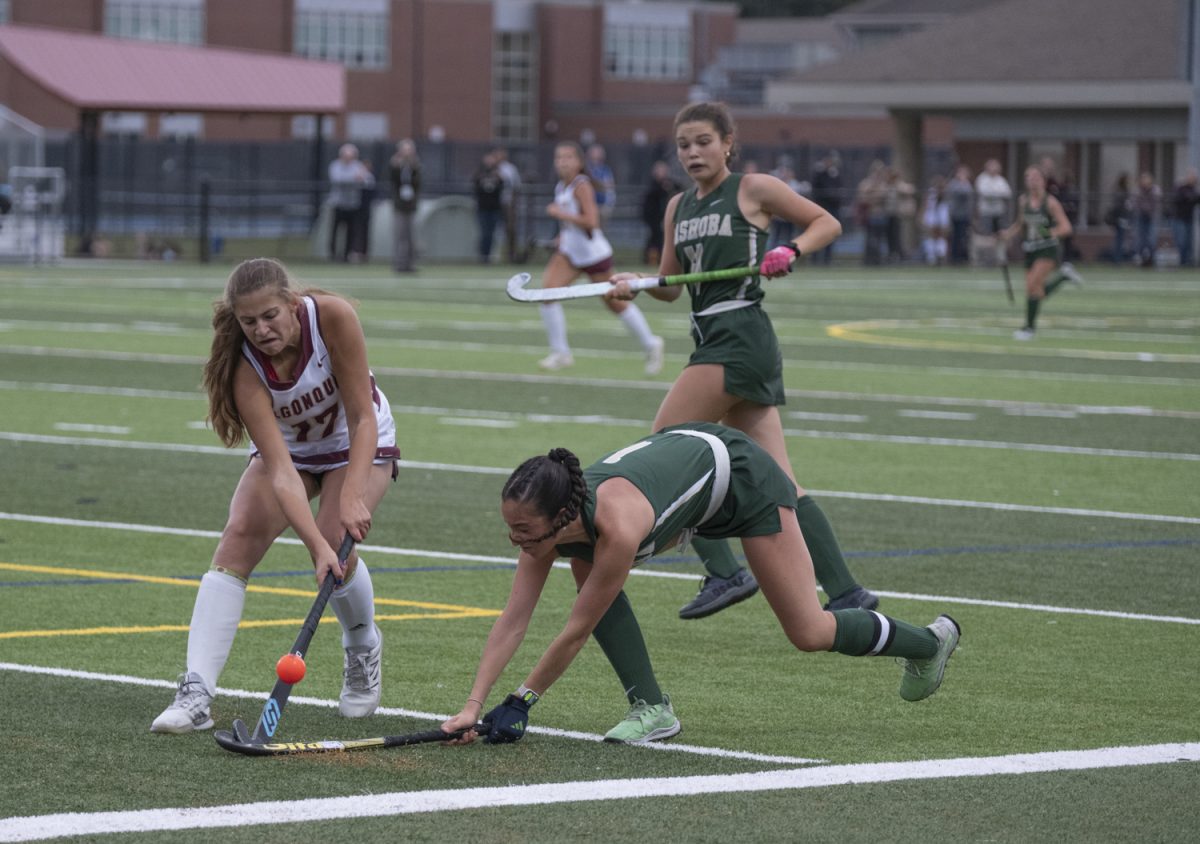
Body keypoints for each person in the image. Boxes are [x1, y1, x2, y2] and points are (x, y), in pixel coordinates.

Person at [440, 424, 960, 745]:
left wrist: (522, 701)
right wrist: (472, 704)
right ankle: (652, 709)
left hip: (742, 479)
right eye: (510, 528)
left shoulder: (616, 528)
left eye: (523, 530)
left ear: (560, 516)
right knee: (594, 585)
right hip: (688, 477)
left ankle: (928, 642)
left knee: (809, 630)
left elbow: (576, 630)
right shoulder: (550, 534)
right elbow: (514, 620)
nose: (515, 541)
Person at [606, 101, 877, 626]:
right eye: (684, 145)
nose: (693, 153)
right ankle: (846, 590)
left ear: (729, 142)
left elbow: (827, 223)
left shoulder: (753, 189)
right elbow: (670, 284)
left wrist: (792, 250)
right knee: (779, 480)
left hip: (739, 335)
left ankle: (725, 571)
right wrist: (633, 286)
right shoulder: (677, 207)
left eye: (704, 141)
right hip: (710, 334)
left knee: (667, 446)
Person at [150, 257, 400, 733]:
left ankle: (362, 644)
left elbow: (362, 416)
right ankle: (196, 692)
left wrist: (350, 499)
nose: (261, 330)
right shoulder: (243, 369)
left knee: (337, 541)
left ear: (291, 303)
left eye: (270, 317)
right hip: (293, 450)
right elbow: (283, 474)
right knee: (238, 537)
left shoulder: (331, 317)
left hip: (357, 437)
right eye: (249, 322)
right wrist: (315, 547)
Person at [535, 141, 664, 375]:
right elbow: (571, 226)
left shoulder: (581, 185)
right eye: (558, 158)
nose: (562, 162)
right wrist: (561, 238)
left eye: (568, 157)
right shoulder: (560, 186)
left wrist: (560, 213)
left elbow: (591, 222)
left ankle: (651, 343)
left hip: (594, 256)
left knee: (615, 303)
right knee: (548, 294)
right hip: (570, 254)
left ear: (579, 162)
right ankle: (560, 352)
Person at [1002, 166, 1083, 341]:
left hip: (1047, 249)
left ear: (1043, 181)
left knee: (1032, 286)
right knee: (1035, 290)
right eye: (1029, 178)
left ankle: (1028, 328)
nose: (1032, 181)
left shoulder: (1051, 202)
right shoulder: (1023, 201)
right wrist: (1006, 234)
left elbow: (1066, 227)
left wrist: (1049, 232)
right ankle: (1063, 277)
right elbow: (1019, 224)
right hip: (1030, 249)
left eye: (1036, 177)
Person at [327, 144, 369, 262]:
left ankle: (346, 255)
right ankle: (333, 255)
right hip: (338, 204)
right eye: (346, 156)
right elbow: (337, 179)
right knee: (335, 231)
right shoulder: (335, 165)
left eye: (351, 156)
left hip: (353, 205)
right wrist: (354, 179)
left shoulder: (358, 166)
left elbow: (366, 180)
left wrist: (357, 178)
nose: (348, 158)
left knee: (351, 232)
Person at [388, 139, 421, 273]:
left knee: (411, 236)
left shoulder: (416, 165)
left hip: (411, 205)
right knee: (400, 235)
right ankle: (399, 263)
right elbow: (393, 180)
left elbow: (417, 182)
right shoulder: (395, 164)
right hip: (399, 205)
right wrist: (398, 166)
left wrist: (412, 166)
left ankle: (410, 264)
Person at [640, 160, 680, 266]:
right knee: (654, 241)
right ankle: (652, 260)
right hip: (656, 220)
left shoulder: (672, 185)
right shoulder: (652, 189)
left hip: (670, 218)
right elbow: (647, 206)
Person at [974, 159, 1012, 266]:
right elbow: (984, 192)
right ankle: (986, 259)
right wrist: (997, 194)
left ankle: (1000, 258)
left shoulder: (1000, 180)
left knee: (1000, 235)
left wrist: (994, 194)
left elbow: (1007, 193)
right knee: (986, 236)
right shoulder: (982, 178)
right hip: (986, 213)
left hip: (999, 212)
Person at [809, 154, 843, 265]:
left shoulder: (835, 174)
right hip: (821, 208)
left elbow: (838, 189)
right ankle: (814, 258)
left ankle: (826, 259)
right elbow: (816, 187)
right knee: (817, 233)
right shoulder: (820, 174)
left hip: (832, 208)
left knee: (830, 234)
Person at [473, 152, 504, 264]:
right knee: (484, 233)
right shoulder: (479, 173)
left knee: (491, 233)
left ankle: (489, 256)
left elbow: (503, 186)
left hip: (494, 208)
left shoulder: (498, 173)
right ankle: (483, 256)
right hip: (482, 208)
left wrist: (498, 177)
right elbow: (475, 187)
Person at [493, 147, 523, 264]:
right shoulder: (491, 168)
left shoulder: (510, 169)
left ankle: (511, 255)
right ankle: (492, 256)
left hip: (508, 203)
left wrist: (514, 202)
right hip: (494, 204)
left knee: (510, 229)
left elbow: (516, 186)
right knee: (492, 229)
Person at [945, 165, 974, 265]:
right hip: (955, 215)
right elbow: (958, 193)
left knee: (964, 236)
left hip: (965, 215)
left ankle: (964, 256)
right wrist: (962, 183)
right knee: (955, 237)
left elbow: (968, 193)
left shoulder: (967, 184)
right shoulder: (953, 184)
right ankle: (954, 257)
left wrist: (964, 182)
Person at [1103, 173, 1133, 264]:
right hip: (1120, 219)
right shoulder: (1120, 192)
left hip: (1122, 218)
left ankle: (1118, 258)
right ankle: (1117, 259)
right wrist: (1121, 216)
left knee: (1120, 239)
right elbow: (1117, 206)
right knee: (1119, 239)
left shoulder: (1124, 191)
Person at [920, 175, 950, 266]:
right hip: (931, 214)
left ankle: (941, 255)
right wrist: (921, 216)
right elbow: (925, 205)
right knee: (930, 235)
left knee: (942, 235)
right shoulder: (930, 192)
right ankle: (931, 256)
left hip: (942, 213)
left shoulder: (946, 192)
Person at [1171, 168, 1198, 267]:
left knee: (1188, 240)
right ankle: (1181, 260)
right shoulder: (1181, 188)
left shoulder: (1194, 189)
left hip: (1189, 218)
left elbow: (1195, 199)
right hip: (1179, 218)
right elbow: (1177, 198)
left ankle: (1187, 261)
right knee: (1181, 240)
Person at [586, 143, 617, 223]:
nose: (596, 156)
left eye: (599, 153)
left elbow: (610, 187)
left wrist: (608, 205)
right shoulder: (586, 169)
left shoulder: (606, 169)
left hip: (602, 206)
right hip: (587, 206)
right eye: (594, 152)